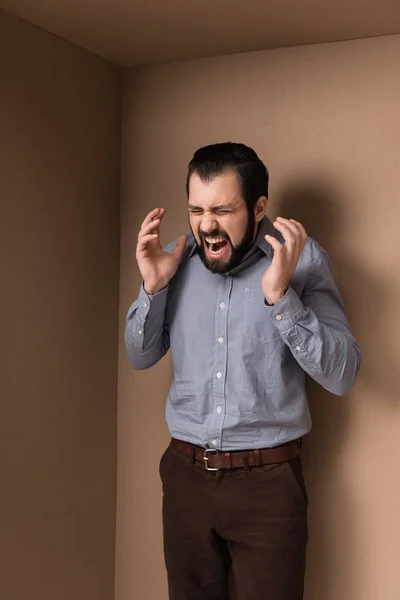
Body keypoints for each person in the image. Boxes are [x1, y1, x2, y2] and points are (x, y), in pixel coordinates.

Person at [125, 142, 361, 600]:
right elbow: (140, 355)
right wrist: (152, 289)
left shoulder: (303, 262)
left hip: (268, 487)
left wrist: (280, 299)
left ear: (258, 208)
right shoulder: (178, 262)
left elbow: (344, 373)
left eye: (222, 209)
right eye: (196, 209)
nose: (206, 225)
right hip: (185, 478)